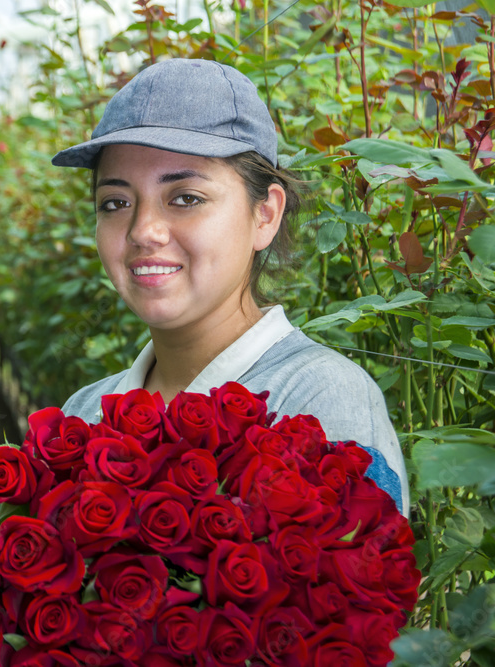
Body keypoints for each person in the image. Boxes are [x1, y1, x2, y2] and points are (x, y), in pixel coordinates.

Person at [52, 58, 409, 517]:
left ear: (265, 215)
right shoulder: (81, 417)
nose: (143, 230)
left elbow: (363, 577)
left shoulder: (319, 403)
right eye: (115, 202)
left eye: (186, 198)